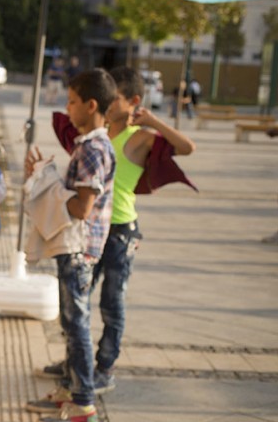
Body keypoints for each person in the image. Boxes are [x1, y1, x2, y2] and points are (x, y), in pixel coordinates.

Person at [36, 67, 196, 393]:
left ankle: (104, 368)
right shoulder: (100, 136)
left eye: (118, 98)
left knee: (112, 302)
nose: (110, 104)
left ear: (133, 101)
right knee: (77, 301)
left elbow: (187, 147)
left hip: (121, 229)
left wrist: (152, 121)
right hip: (94, 227)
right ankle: (73, 365)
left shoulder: (139, 137)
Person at [24, 68, 117, 422]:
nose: (68, 107)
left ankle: (83, 404)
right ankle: (72, 387)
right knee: (69, 321)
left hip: (80, 251)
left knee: (76, 324)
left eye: (73, 102)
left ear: (91, 105)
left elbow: (81, 208)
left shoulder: (93, 149)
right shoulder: (89, 145)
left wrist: (47, 182)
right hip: (78, 250)